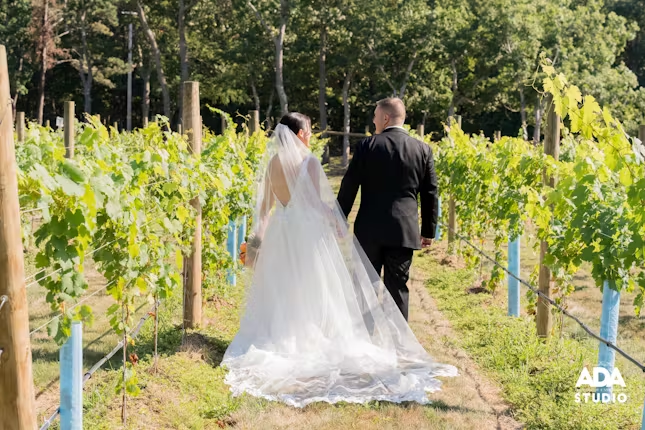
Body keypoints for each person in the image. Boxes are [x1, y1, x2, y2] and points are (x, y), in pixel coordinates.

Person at [222, 112, 457, 408]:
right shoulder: (308, 163)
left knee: (284, 286)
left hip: (281, 232)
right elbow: (318, 203)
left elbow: (265, 210)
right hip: (305, 231)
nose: (309, 135)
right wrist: (336, 223)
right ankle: (313, 337)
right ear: (298, 134)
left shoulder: (272, 164)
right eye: (307, 131)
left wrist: (257, 240)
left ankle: (283, 336)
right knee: (311, 286)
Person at [337, 98, 438, 321]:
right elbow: (430, 193)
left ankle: (365, 342)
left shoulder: (367, 146)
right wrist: (429, 231)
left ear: (385, 118)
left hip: (369, 229)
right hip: (403, 230)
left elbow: (350, 184)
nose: (373, 121)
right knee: (398, 287)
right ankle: (399, 344)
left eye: (375, 116)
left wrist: (339, 218)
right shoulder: (422, 149)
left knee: (365, 286)